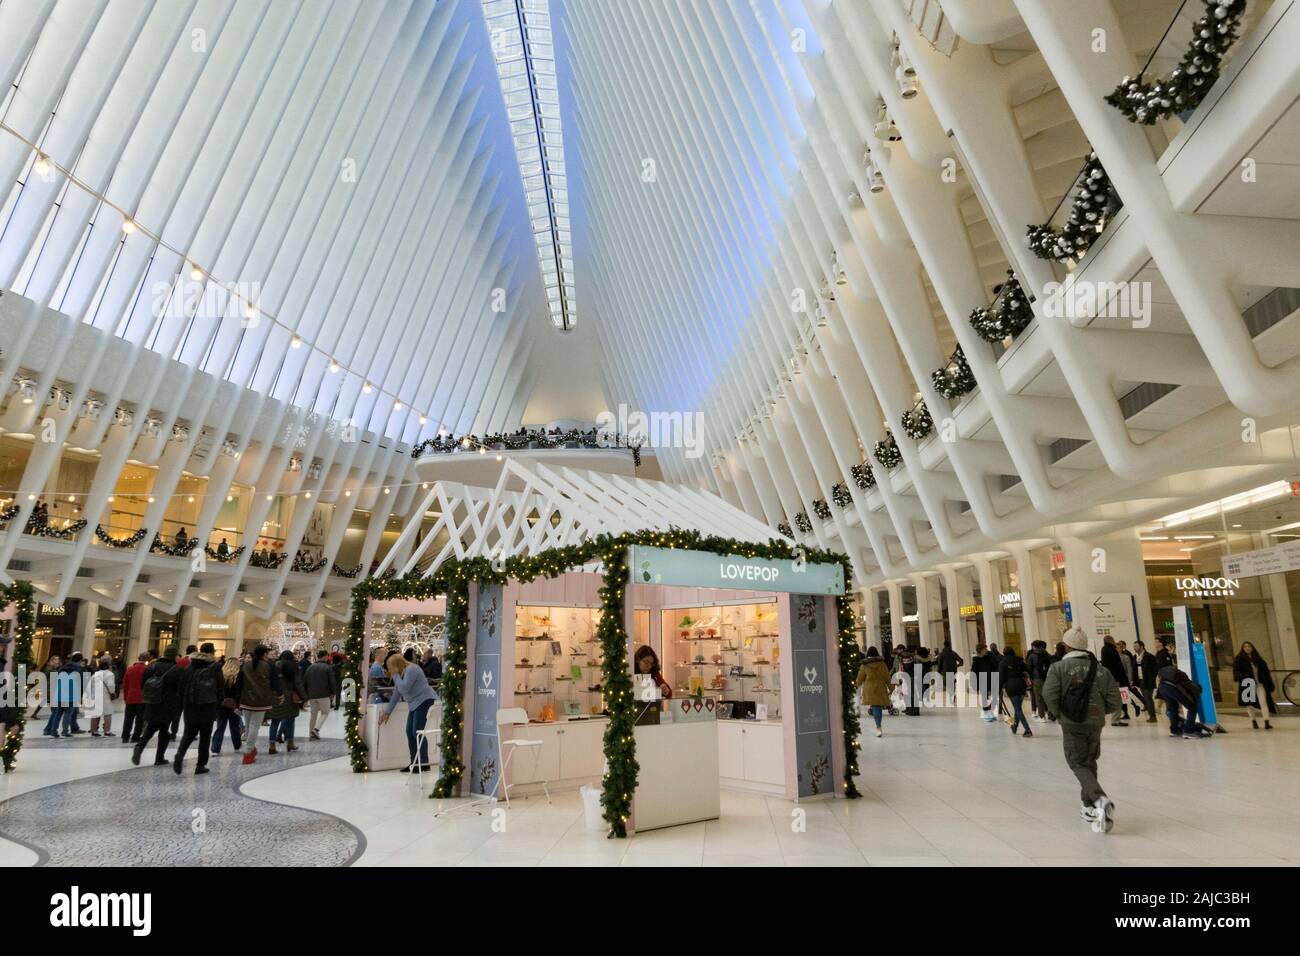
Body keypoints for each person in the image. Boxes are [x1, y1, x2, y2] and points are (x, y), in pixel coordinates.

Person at [1041, 627, 1122, 834]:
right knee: (1088, 761)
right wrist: (1100, 712)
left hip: (1072, 723)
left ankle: (1099, 799)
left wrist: (1060, 714)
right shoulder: (1101, 670)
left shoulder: (1058, 668)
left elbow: (1049, 695)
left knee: (1076, 761)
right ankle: (1089, 808)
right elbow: (1114, 700)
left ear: (1067, 646)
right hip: (1095, 723)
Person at [378, 651, 436, 772]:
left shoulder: (412, 669)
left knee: (417, 732)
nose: (389, 670)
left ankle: (424, 763)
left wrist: (394, 675)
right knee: (410, 732)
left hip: (424, 700)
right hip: (414, 704)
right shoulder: (402, 673)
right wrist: (387, 713)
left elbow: (404, 688)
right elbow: (396, 694)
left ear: (396, 664)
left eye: (390, 667)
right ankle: (414, 763)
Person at [172, 643, 223, 774]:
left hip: (190, 705)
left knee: (188, 734)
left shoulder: (189, 666)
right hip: (208, 705)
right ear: (212, 652)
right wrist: (219, 703)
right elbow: (220, 687)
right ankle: (200, 765)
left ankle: (180, 753)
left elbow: (181, 687)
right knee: (205, 737)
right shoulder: (215, 667)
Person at [131, 645, 181, 766]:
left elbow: (143, 684)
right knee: (164, 730)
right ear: (174, 655)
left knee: (151, 726)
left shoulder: (152, 666)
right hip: (168, 704)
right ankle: (159, 757)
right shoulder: (177, 669)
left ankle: (140, 746)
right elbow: (180, 688)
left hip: (152, 702)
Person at [239, 645, 281, 765]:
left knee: (248, 726)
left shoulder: (245, 666)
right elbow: (274, 681)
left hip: (246, 699)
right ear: (264, 654)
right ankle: (248, 752)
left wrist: (237, 699)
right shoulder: (269, 666)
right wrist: (280, 694)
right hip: (261, 700)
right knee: (254, 726)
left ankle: (250, 748)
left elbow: (239, 683)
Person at [1156, 663, 1213, 739]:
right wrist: (1192, 704)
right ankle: (1188, 731)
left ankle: (1174, 731)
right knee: (1192, 708)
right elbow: (1188, 698)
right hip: (1171, 688)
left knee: (1173, 708)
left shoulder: (1183, 681)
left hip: (1162, 687)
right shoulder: (1194, 688)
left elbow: (1181, 696)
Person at [268, 651, 305, 754]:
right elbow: (298, 683)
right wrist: (304, 697)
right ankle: (290, 743)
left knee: (275, 721)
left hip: (277, 696)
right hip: (289, 697)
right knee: (290, 721)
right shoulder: (294, 666)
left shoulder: (274, 666)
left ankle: (272, 745)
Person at [1233, 642, 1276, 730]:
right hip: (1247, 684)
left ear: (1252, 648)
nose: (1247, 648)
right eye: (1245, 647)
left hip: (1259, 684)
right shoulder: (1239, 659)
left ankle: (1266, 722)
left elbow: (1266, 673)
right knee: (1249, 704)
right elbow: (1236, 672)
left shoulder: (1259, 660)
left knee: (1263, 702)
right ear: (1242, 648)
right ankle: (1254, 721)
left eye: (1249, 646)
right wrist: (1241, 677)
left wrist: (1269, 684)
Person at [854, 646, 891, 737]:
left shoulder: (864, 664)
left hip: (869, 687)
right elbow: (887, 676)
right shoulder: (882, 663)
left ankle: (878, 728)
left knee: (874, 706)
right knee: (877, 706)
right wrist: (891, 687)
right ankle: (878, 727)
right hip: (880, 686)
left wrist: (857, 684)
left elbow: (860, 677)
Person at [211, 655, 243, 756]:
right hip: (234, 705)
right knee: (235, 727)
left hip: (222, 704)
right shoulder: (239, 675)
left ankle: (215, 748)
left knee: (220, 727)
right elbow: (240, 691)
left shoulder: (221, 674)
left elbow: (216, 689)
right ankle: (237, 745)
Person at [998, 646, 1032, 737]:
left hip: (1011, 687)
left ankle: (1027, 729)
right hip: (1021, 686)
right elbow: (1028, 671)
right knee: (1018, 708)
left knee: (1018, 709)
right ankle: (1014, 726)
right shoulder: (1019, 661)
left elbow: (1001, 678)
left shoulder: (1003, 663)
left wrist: (998, 689)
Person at [305, 650, 337, 740]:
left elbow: (305, 681)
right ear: (325, 656)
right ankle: (316, 729)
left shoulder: (310, 667)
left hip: (312, 695)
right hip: (324, 694)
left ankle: (310, 734)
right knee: (325, 712)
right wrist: (333, 692)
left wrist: (305, 695)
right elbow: (332, 681)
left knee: (313, 715)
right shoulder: (327, 667)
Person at [1099, 635, 1130, 726]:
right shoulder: (1109, 650)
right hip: (1115, 679)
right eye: (1113, 639)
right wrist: (1118, 679)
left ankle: (1115, 719)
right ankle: (1115, 720)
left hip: (1112, 678)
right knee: (1117, 699)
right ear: (1110, 640)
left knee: (1117, 699)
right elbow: (1115, 666)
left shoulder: (1106, 649)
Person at [119, 652, 148, 743]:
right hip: (142, 698)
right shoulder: (147, 669)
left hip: (131, 697)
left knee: (128, 718)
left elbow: (125, 684)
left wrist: (125, 697)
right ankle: (136, 736)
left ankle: (125, 736)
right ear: (147, 659)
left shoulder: (130, 669)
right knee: (140, 719)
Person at [87, 655, 116, 737]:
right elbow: (111, 686)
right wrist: (112, 693)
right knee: (107, 714)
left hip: (95, 695)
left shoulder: (95, 674)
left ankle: (94, 730)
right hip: (105, 696)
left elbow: (91, 685)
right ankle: (107, 731)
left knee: (96, 714)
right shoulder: (110, 674)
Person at [1025, 640, 1053, 722]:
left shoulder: (1032, 655)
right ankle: (1050, 714)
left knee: (1038, 697)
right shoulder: (1046, 654)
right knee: (1047, 696)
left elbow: (1029, 668)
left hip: (1037, 678)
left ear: (1034, 646)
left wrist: (1030, 678)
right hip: (1047, 677)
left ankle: (1042, 716)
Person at [1132, 640, 1159, 724]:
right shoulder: (1135, 657)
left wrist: (1151, 677)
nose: (1134, 648)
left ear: (1142, 646)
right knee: (1146, 699)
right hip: (1140, 681)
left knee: (1148, 698)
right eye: (1134, 646)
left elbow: (1155, 669)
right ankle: (1152, 715)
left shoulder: (1149, 656)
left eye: (1136, 646)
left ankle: (1153, 716)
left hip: (1148, 681)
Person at [969, 644, 997, 722]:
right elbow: (973, 672)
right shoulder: (976, 660)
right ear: (980, 650)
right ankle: (985, 712)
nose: (986, 650)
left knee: (994, 697)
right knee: (984, 697)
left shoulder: (989, 657)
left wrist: (991, 655)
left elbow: (995, 665)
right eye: (985, 649)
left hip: (992, 679)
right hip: (982, 680)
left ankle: (990, 711)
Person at [936, 640, 963, 706]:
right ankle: (952, 695)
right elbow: (961, 661)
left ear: (944, 645)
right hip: (953, 671)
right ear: (949, 645)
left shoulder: (942, 653)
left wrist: (938, 671)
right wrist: (957, 665)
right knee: (952, 683)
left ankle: (951, 696)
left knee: (947, 684)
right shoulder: (953, 653)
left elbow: (939, 663)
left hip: (945, 671)